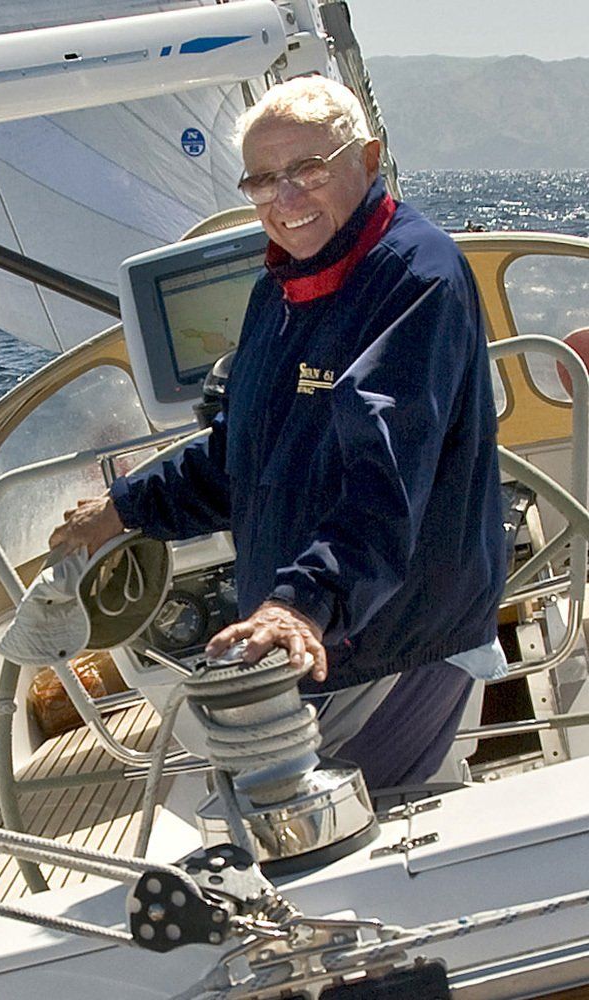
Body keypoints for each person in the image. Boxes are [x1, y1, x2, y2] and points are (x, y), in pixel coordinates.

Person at [48, 77, 506, 789]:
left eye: (308, 171)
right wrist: (126, 506)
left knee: (342, 841)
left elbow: (385, 478)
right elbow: (243, 457)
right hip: (322, 634)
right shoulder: (281, 287)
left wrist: (301, 603)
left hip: (392, 639)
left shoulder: (416, 277)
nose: (285, 200)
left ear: (370, 157)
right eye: (263, 180)